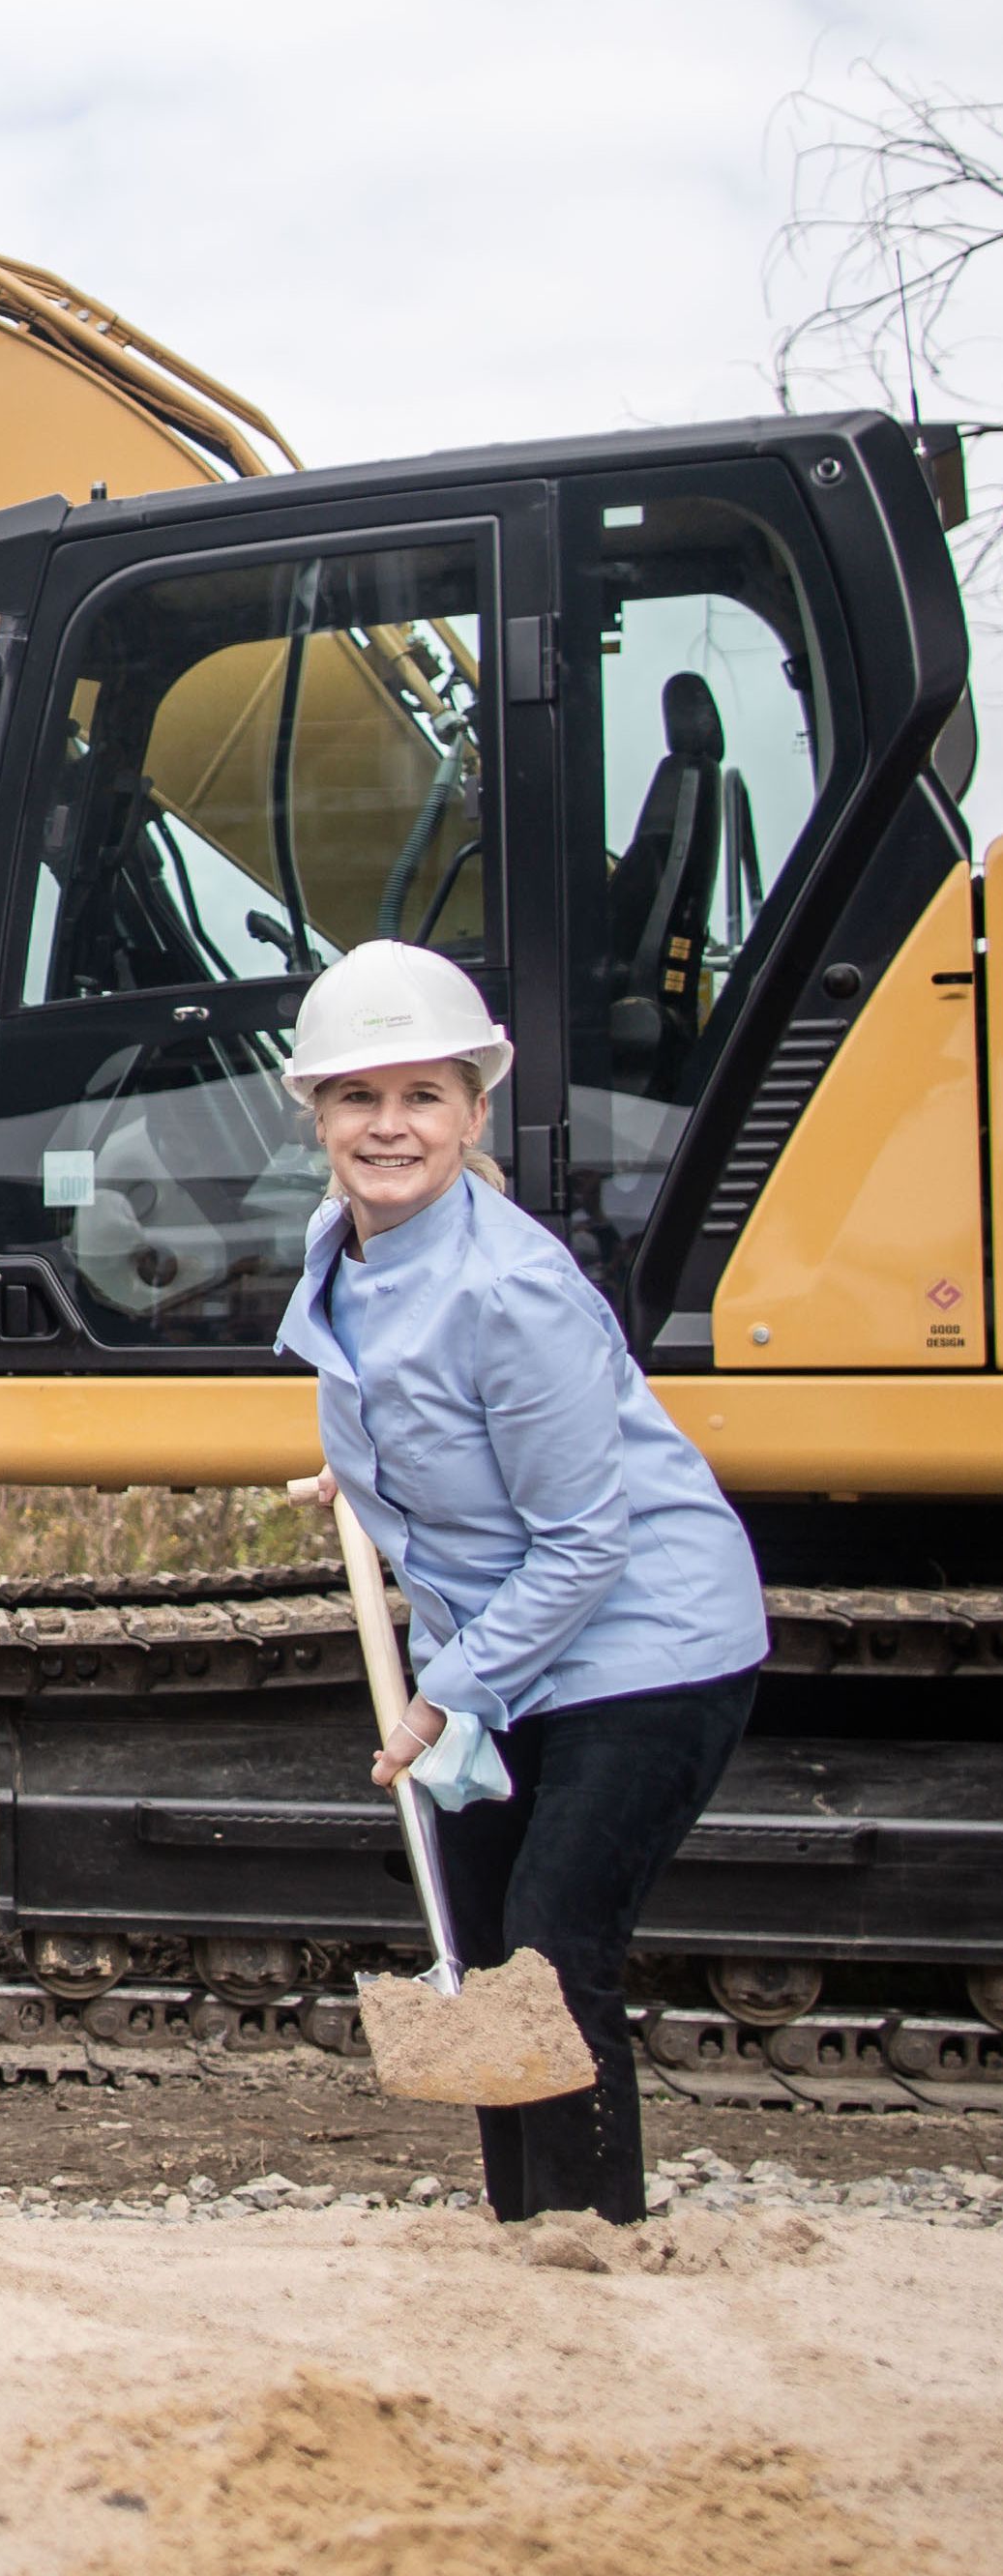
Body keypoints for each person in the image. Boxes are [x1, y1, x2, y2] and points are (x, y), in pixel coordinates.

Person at [278, 938, 765, 2228]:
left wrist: (442, 1698)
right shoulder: (347, 1246)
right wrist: (364, 1477)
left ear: (472, 1109)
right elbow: (421, 1409)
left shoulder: (513, 1287)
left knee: (549, 1941)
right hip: (510, 1637)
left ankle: (591, 2244)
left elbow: (582, 1543)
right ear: (315, 1112)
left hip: (640, 1642)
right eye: (358, 1097)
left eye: (421, 1095)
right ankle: (521, 2238)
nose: (390, 1126)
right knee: (478, 1943)